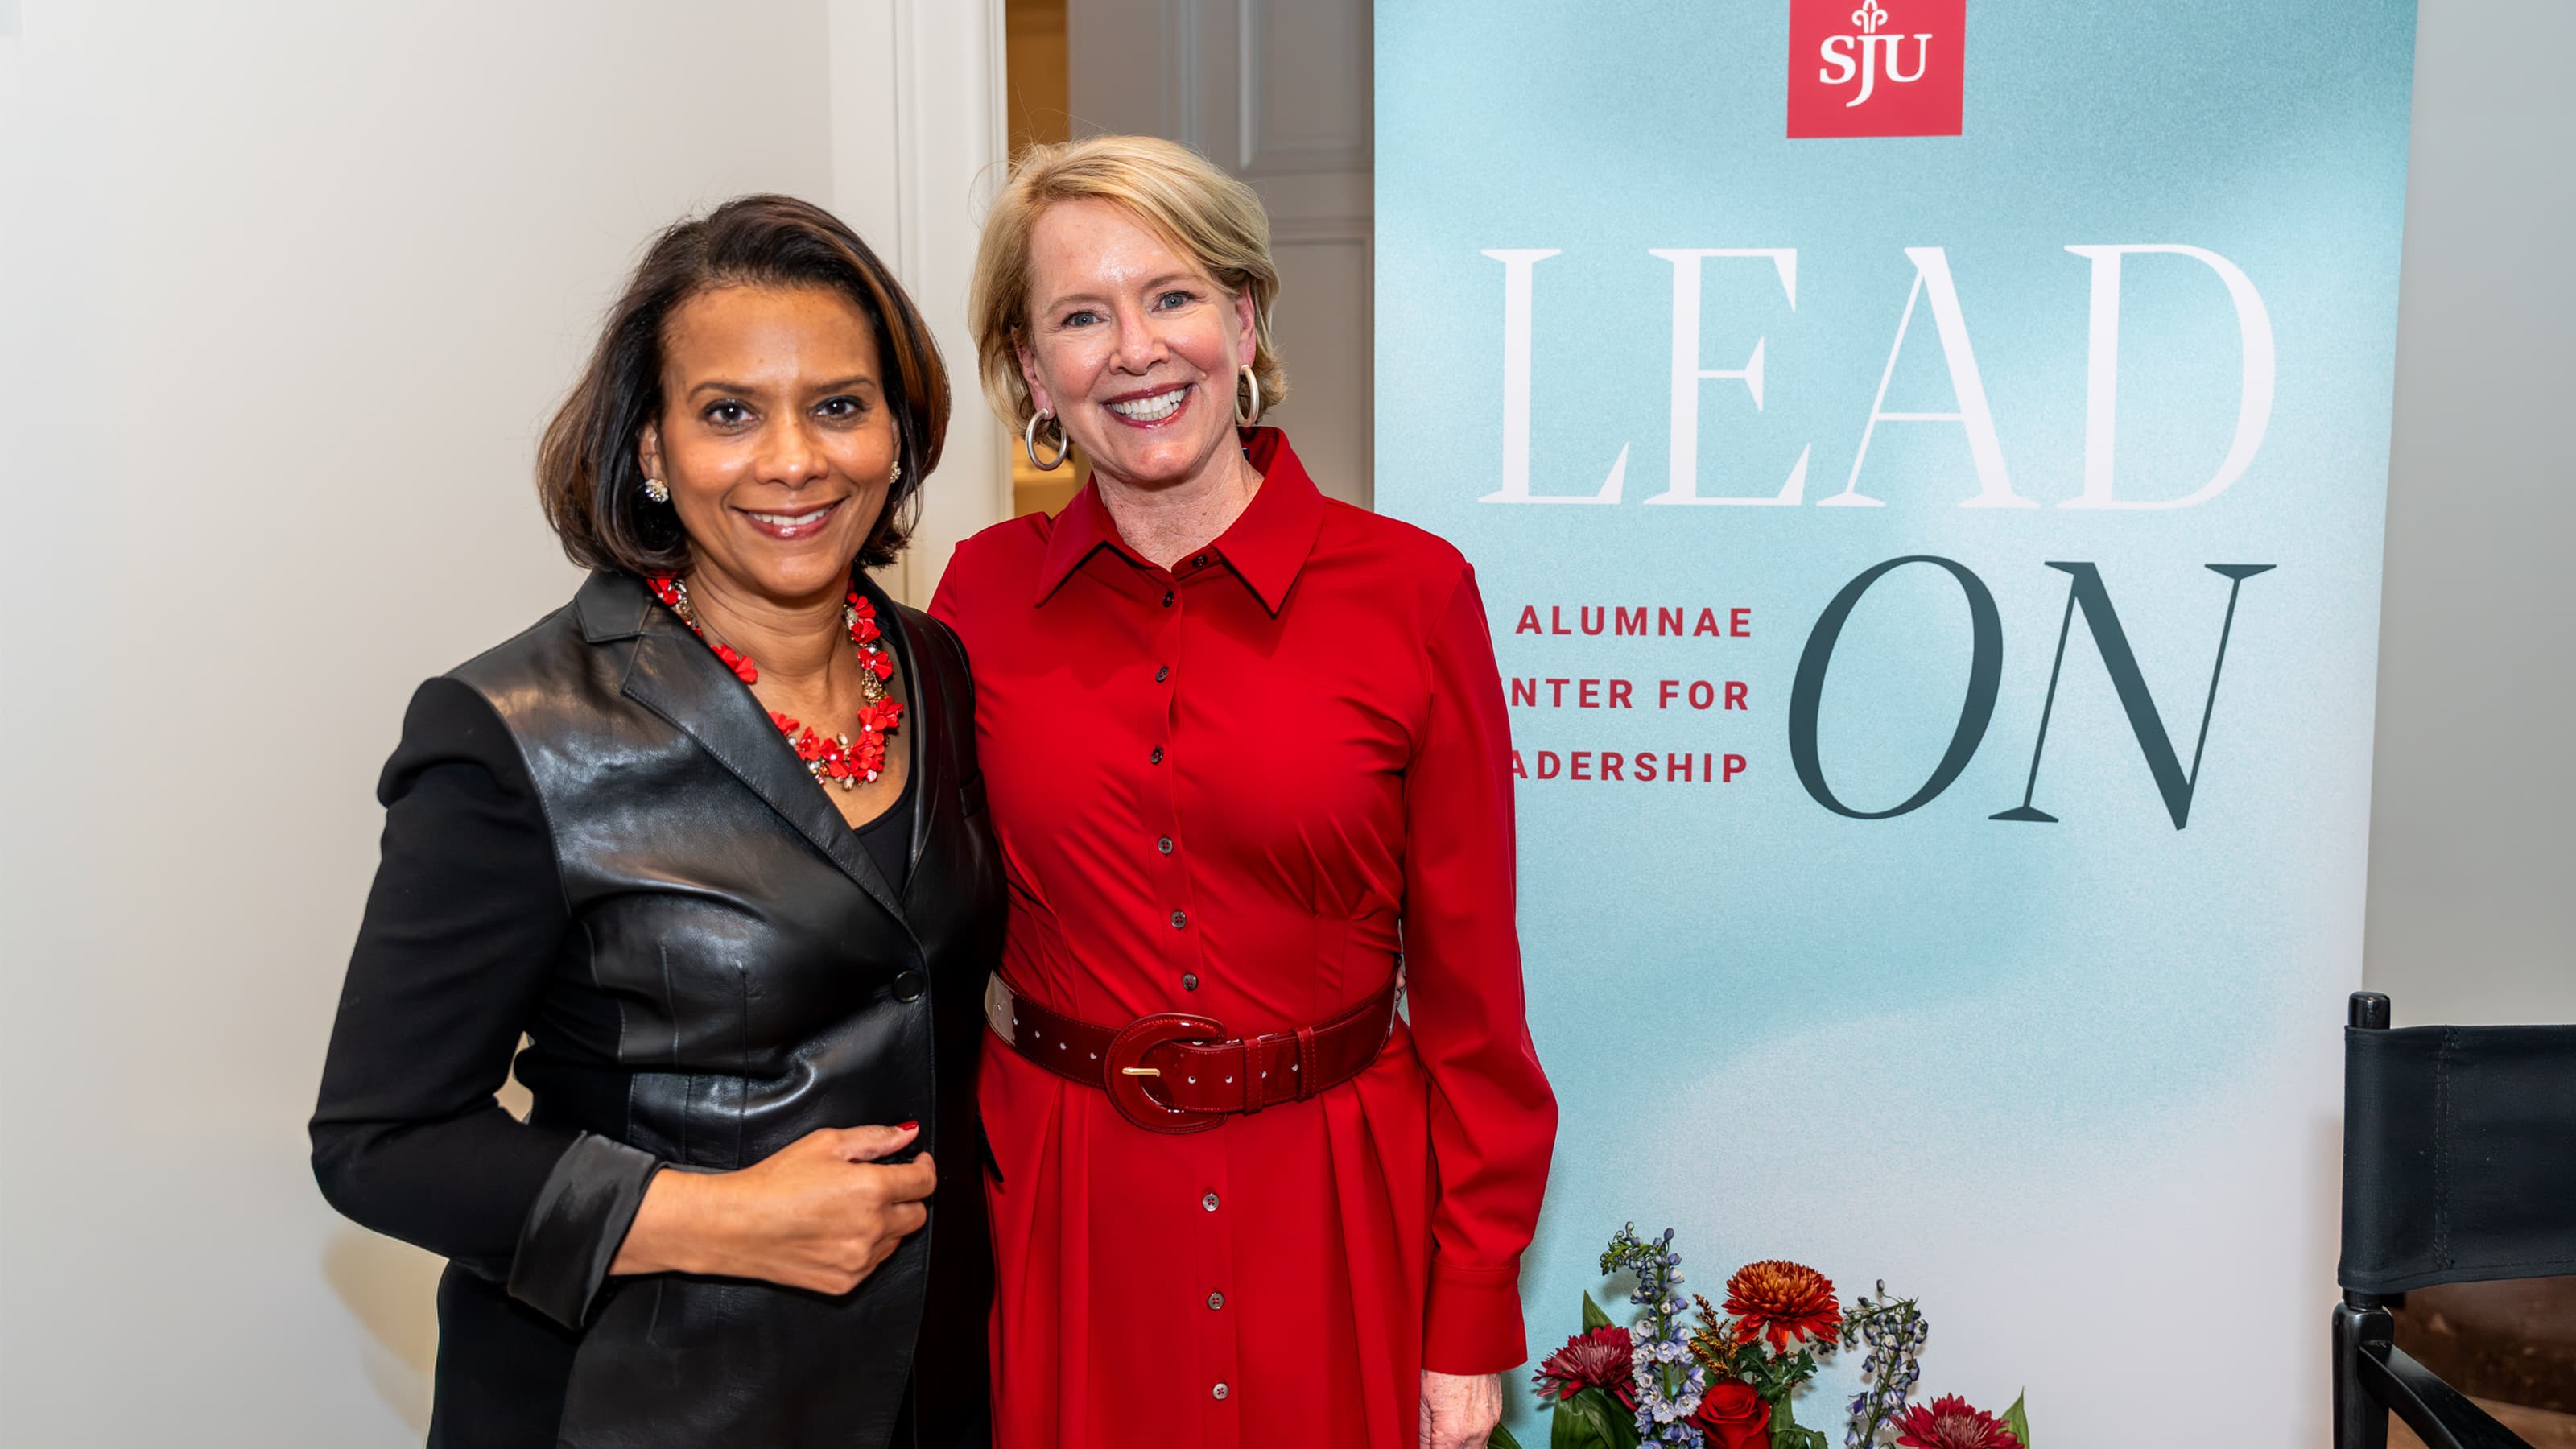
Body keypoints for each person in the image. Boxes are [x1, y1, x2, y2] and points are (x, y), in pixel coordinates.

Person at [311, 195, 1000, 1449]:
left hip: (921, 1395)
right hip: (636, 1403)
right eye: (729, 413)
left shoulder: (936, 669)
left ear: (899, 436)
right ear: (650, 449)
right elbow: (381, 1142)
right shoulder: (514, 728)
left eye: (839, 406)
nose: (793, 459)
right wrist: (722, 1219)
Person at [934, 135, 1558, 1449]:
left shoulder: (1413, 593)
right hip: (1069, 1213)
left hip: (1335, 1208)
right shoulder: (977, 599)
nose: (1137, 349)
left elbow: (1473, 1006)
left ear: (1245, 319)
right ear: (1033, 371)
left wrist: (1467, 1317)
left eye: (1172, 296)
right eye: (1082, 317)